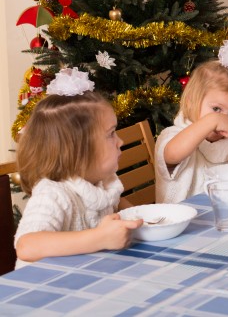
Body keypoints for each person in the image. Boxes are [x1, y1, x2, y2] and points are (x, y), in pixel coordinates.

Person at [14, 68, 143, 267]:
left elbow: (115, 205)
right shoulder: (53, 194)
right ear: (77, 149)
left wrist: (140, 219)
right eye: (111, 134)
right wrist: (99, 238)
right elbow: (27, 246)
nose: (121, 141)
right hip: (49, 290)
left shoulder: (101, 181)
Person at [154, 40, 228, 203]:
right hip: (183, 222)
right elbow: (172, 155)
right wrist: (211, 120)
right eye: (216, 109)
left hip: (222, 214)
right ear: (191, 102)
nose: (224, 118)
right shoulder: (173, 135)